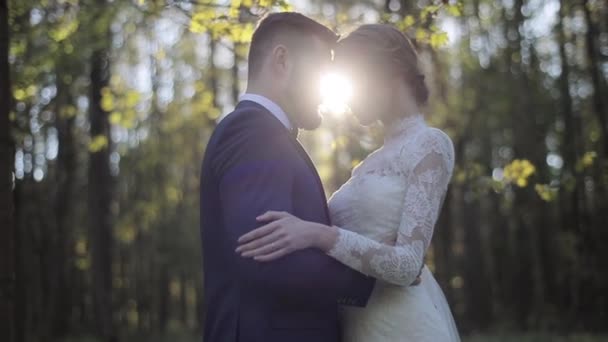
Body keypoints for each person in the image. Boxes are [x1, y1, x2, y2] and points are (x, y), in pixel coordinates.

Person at [237, 24, 461, 341]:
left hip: (403, 327)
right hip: (355, 327)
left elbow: (408, 265)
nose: (346, 100)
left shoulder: (431, 145)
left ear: (386, 71)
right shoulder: (369, 164)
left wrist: (317, 234)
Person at [199, 13, 377, 342]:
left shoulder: (266, 134)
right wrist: (375, 279)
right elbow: (266, 259)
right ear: (283, 60)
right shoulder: (253, 132)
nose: (325, 90)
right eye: (321, 70)